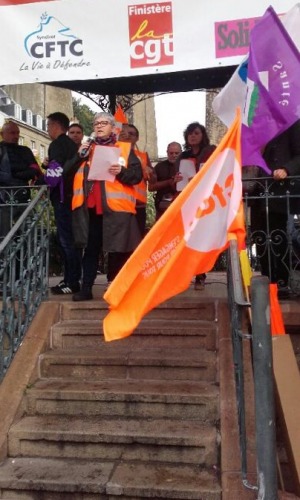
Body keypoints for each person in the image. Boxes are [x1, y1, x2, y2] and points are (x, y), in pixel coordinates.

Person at [71, 112, 143, 301]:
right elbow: (66, 172)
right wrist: (79, 156)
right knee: (91, 249)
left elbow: (137, 176)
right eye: (96, 123)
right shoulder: (86, 149)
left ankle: (116, 288)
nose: (99, 126)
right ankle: (86, 288)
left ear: (113, 127)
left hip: (116, 208)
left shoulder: (124, 149)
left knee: (118, 249)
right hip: (91, 209)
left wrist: (121, 171)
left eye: (104, 123)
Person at [250, 120, 300, 291]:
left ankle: (281, 282)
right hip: (256, 190)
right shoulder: (256, 126)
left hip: (278, 189)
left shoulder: (291, 123)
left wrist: (286, 169)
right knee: (259, 235)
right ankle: (267, 280)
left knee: (278, 236)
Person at [44, 112, 82, 295]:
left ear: (56, 125)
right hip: (73, 196)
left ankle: (71, 281)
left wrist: (45, 183)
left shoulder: (58, 145)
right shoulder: (71, 146)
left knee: (66, 240)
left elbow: (56, 171)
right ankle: (71, 278)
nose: (47, 129)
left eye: (48, 125)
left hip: (61, 197)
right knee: (70, 240)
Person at [177, 122, 216, 291]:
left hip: (205, 202)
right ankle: (183, 276)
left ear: (203, 136)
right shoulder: (183, 155)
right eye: (190, 134)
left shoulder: (210, 152)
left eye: (196, 133)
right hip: (186, 201)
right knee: (185, 240)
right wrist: (176, 179)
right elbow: (175, 178)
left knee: (200, 240)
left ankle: (200, 275)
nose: (193, 136)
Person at [0, 121, 40, 240]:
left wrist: (17, 175)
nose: (16, 136)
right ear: (3, 134)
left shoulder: (25, 150)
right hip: (3, 197)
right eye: (12, 133)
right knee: (4, 235)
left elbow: (34, 169)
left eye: (17, 133)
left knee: (28, 233)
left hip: (23, 195)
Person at [119, 123, 153, 237]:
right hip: (120, 205)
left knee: (137, 241)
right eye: (125, 133)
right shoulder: (116, 152)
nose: (128, 136)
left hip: (138, 205)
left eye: (132, 134)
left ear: (137, 138)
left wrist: (149, 171)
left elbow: (154, 180)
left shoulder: (143, 156)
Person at [148, 141, 182, 220]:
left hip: (182, 205)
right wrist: (169, 182)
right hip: (163, 207)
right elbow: (151, 187)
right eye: (171, 153)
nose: (174, 155)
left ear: (181, 152)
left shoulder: (186, 165)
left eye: (176, 153)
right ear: (167, 153)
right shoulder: (160, 166)